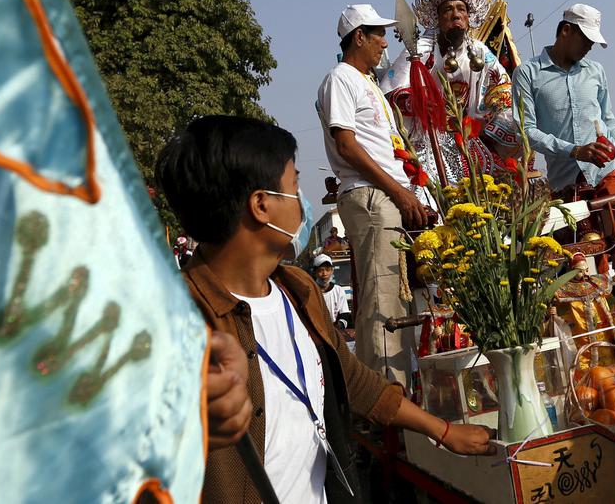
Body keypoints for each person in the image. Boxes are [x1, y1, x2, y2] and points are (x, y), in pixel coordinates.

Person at [156, 115, 494, 503]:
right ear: (261, 205)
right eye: (294, 185)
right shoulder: (175, 321)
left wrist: (443, 431)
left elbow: (356, 382)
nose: (303, 200)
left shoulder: (298, 290)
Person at [318, 4, 427, 387]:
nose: (384, 41)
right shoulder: (340, 79)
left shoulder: (368, 83)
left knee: (391, 297)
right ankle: (388, 399)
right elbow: (346, 145)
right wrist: (397, 191)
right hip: (371, 195)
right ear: (359, 37)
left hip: (387, 195)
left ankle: (375, 395)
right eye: (378, 33)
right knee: (384, 300)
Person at [513, 4, 615, 265]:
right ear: (566, 31)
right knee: (587, 261)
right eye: (586, 39)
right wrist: (575, 150)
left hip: (608, 170)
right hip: (566, 180)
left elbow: (608, 122)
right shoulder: (527, 74)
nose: (589, 47)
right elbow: (526, 132)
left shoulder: (595, 71)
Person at [382, 0, 514, 189]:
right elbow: (391, 92)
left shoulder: (480, 52)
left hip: (472, 137)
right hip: (430, 139)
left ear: (469, 16)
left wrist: (490, 125)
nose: (455, 15)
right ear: (437, 18)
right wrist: (418, 102)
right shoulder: (420, 50)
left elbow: (504, 90)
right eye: (448, 10)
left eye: (461, 9)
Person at [312, 253, 352, 329]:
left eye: (327, 270)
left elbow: (344, 314)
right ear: (315, 272)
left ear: (332, 271)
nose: (324, 274)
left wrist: (339, 326)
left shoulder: (338, 290)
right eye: (321, 270)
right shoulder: (311, 290)